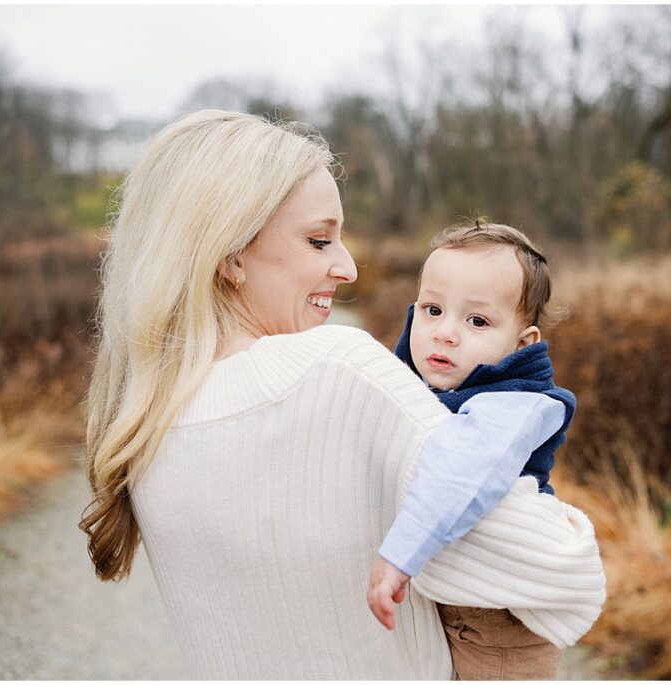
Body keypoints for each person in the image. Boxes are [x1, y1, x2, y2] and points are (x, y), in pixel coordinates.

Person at [79, 109, 605, 679]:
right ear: (230, 254)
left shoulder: (147, 421)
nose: (348, 267)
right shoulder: (339, 372)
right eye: (319, 240)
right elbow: (565, 573)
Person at [366, 221, 579, 679]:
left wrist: (398, 556)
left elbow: (461, 473)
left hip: (501, 622)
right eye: (432, 309)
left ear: (523, 345)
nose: (445, 333)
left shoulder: (512, 405)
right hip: (459, 598)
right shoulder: (429, 380)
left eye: (477, 320)